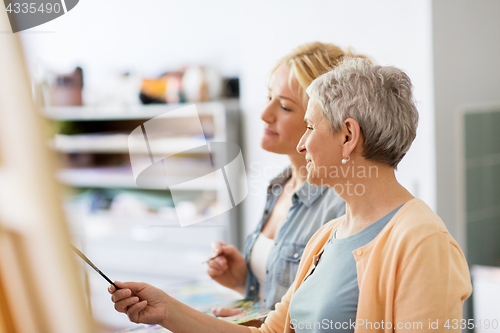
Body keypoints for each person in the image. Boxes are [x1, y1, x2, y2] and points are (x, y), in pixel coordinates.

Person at [109, 57, 472, 332]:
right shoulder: (327, 236)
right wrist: (166, 311)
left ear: (348, 136)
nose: (301, 143)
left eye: (311, 126)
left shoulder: (422, 241)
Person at [206, 42, 348, 313]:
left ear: (319, 119)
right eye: (268, 96)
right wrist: (241, 280)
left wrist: (256, 324)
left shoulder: (341, 206)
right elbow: (274, 293)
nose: (264, 114)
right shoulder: (279, 184)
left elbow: (328, 319)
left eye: (284, 106)